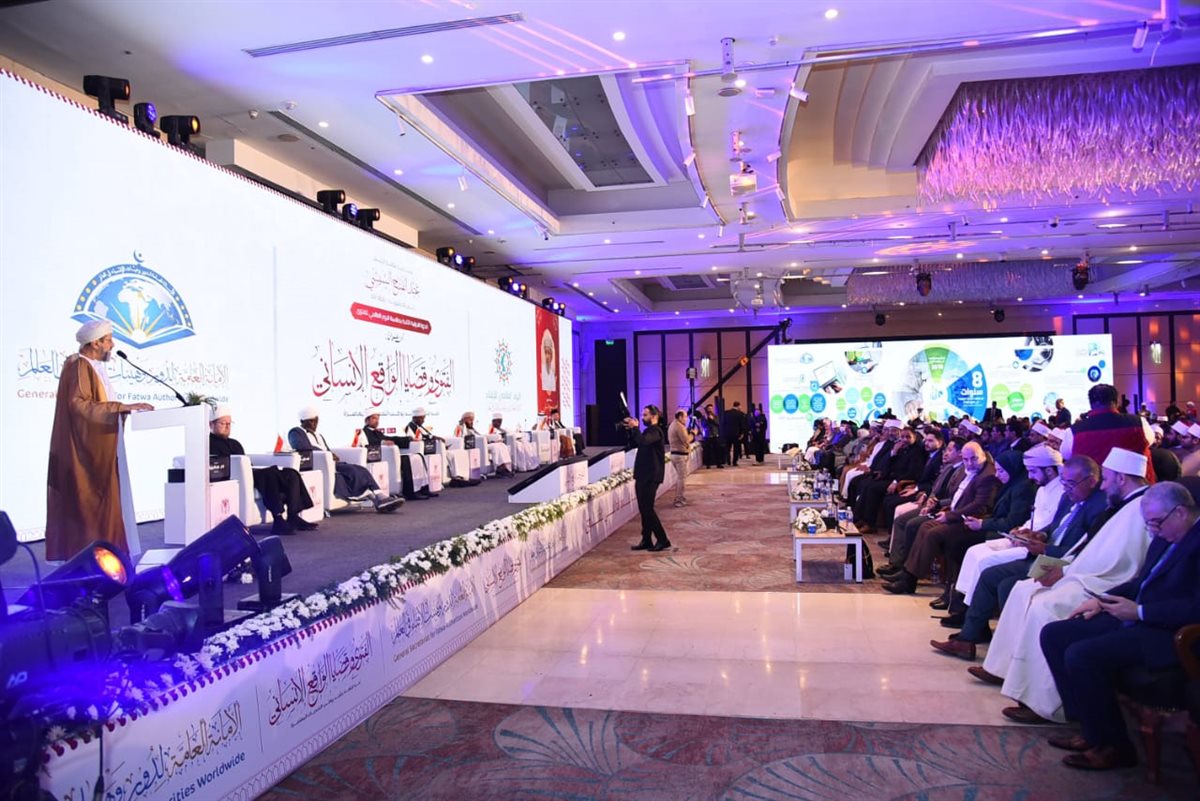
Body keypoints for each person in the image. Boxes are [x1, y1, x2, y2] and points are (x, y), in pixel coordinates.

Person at [976, 448, 1152, 724]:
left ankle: (1042, 702)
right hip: (1082, 571)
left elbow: (1119, 565)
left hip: (1101, 584)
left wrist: (1065, 570)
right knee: (1022, 589)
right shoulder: (1122, 505)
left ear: (1121, 478)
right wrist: (1062, 566)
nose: (1102, 486)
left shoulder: (1139, 510)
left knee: (1044, 608)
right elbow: (1091, 548)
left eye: (1106, 479)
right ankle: (1003, 669)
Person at [1039, 481, 1200, 771]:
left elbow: (1195, 608)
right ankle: (1090, 728)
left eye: (1156, 522)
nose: (1153, 530)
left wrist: (1139, 612)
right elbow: (1141, 582)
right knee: (1055, 634)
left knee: (1082, 655)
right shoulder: (1166, 534)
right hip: (1142, 619)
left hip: (1173, 634)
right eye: (1149, 524)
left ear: (1180, 512)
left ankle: (1115, 748)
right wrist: (1102, 601)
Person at [932, 455, 1106, 656]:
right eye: (1064, 483)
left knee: (1007, 585)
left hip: (1060, 563)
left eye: (1071, 484)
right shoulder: (1069, 496)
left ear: (1091, 481)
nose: (1066, 489)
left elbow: (1083, 550)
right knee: (989, 574)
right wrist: (1039, 534)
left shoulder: (1098, 508)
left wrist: (1045, 549)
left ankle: (1009, 653)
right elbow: (1055, 526)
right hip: (1043, 555)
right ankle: (968, 638)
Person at [45, 320, 154, 561]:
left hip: (102, 449)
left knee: (108, 506)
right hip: (86, 455)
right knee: (90, 508)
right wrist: (120, 407)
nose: (112, 345)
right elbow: (79, 405)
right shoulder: (78, 365)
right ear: (95, 343)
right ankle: (93, 562)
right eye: (108, 340)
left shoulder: (93, 366)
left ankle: (110, 558)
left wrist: (121, 411)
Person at [883, 441, 1000, 595]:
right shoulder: (968, 470)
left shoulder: (987, 475)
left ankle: (909, 580)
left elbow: (979, 506)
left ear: (982, 455)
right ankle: (907, 575)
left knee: (932, 533)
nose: (970, 463)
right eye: (966, 459)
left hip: (970, 520)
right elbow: (956, 496)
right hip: (953, 512)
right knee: (924, 527)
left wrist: (949, 515)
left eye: (974, 458)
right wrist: (939, 504)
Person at [210, 405, 316, 534]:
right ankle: (278, 520)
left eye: (229, 423)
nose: (227, 427)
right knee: (269, 474)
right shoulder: (208, 443)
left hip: (250, 471)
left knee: (291, 473)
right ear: (211, 425)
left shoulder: (235, 443)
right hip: (236, 477)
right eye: (223, 423)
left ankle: (293, 516)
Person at [288, 406, 403, 512]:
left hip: (330, 462)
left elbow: (326, 448)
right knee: (352, 471)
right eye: (311, 421)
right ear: (302, 421)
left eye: (316, 421)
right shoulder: (295, 432)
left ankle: (379, 498)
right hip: (317, 464)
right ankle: (379, 499)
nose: (314, 424)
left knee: (360, 469)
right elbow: (302, 447)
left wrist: (331, 454)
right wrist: (327, 454)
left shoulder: (318, 435)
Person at [1060, 384, 1155, 482]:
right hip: (1134, 487)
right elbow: (1150, 441)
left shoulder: (1074, 431)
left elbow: (1066, 455)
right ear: (1116, 402)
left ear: (1091, 404)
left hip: (1094, 488)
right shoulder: (1139, 423)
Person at [361, 413, 436, 500]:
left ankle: (422, 488)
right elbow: (369, 443)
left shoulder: (377, 432)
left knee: (417, 456)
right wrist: (383, 442)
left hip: (388, 455)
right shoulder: (364, 432)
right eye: (374, 419)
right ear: (367, 420)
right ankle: (410, 492)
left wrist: (408, 439)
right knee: (407, 460)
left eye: (378, 419)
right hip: (379, 457)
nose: (377, 421)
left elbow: (391, 438)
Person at [625, 405, 670, 552]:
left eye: (645, 415)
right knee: (643, 509)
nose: (643, 418)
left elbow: (644, 441)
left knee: (647, 509)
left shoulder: (656, 431)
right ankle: (646, 539)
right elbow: (637, 442)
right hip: (643, 474)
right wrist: (632, 430)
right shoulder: (648, 431)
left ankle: (662, 539)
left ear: (654, 416)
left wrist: (635, 428)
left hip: (651, 475)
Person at [455, 411, 514, 476]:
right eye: (470, 420)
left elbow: (480, 436)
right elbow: (459, 439)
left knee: (501, 445)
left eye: (472, 420)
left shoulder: (472, 429)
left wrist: (492, 441)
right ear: (464, 420)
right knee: (495, 447)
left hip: (481, 445)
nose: (472, 422)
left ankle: (505, 467)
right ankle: (499, 468)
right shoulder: (460, 428)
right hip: (473, 446)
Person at [667, 409, 693, 508]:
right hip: (679, 455)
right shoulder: (678, 426)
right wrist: (693, 434)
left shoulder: (674, 425)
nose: (686, 419)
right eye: (685, 417)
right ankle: (679, 499)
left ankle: (680, 498)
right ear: (680, 417)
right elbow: (686, 440)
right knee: (681, 478)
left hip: (677, 454)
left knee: (680, 477)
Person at [722, 401, 748, 466]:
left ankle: (728, 460)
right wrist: (742, 433)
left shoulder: (726, 413)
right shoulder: (740, 414)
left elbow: (723, 423)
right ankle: (734, 462)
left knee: (728, 448)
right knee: (736, 448)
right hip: (736, 434)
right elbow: (742, 424)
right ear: (738, 406)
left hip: (727, 433)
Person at [701, 404, 724, 469]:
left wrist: (713, 419)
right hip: (708, 436)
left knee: (717, 450)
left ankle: (718, 464)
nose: (710, 410)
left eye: (711, 408)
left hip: (715, 435)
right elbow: (703, 425)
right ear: (707, 409)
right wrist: (706, 419)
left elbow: (718, 423)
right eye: (709, 408)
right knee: (708, 451)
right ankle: (708, 464)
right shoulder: (704, 416)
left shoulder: (715, 416)